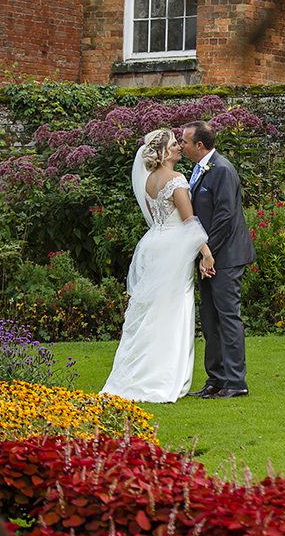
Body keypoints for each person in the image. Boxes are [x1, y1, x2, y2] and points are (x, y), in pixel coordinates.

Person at [100, 128, 214, 403]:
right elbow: (188, 222)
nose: (178, 147)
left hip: (154, 244)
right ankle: (163, 376)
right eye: (174, 144)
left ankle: (136, 370)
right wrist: (206, 253)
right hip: (174, 250)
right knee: (173, 311)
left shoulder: (149, 180)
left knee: (151, 312)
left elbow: (158, 219)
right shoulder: (176, 179)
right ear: (162, 153)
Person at [180, 121, 256, 399]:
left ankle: (236, 382)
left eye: (185, 141)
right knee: (210, 319)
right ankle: (216, 378)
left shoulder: (222, 169)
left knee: (228, 317)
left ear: (200, 145)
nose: (181, 145)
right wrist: (202, 254)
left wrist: (208, 254)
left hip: (225, 256)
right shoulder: (199, 168)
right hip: (208, 256)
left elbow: (225, 216)